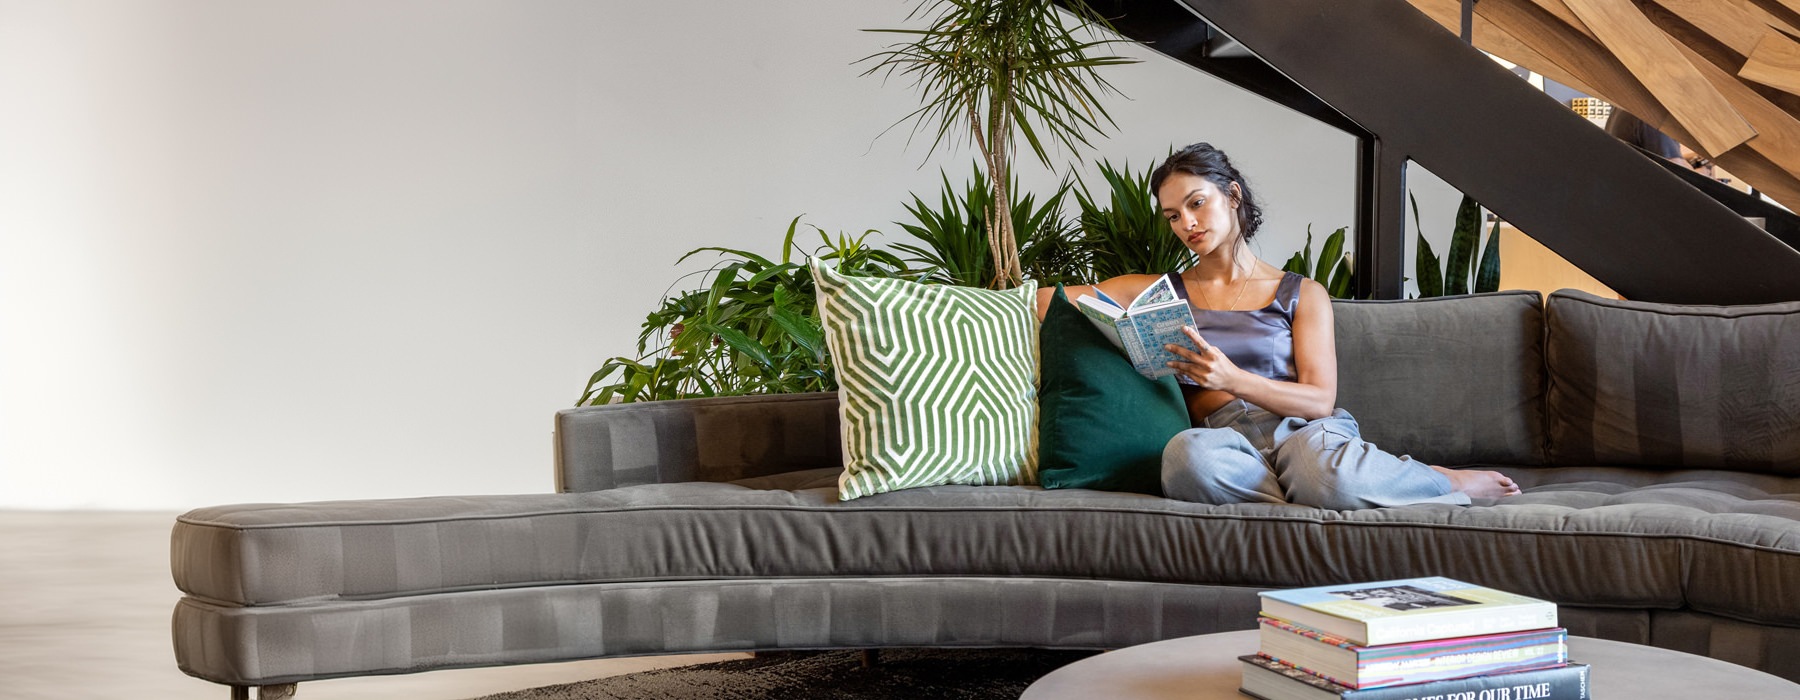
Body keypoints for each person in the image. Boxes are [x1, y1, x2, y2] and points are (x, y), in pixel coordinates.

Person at [1038, 143, 1519, 509]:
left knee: (1323, 472)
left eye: (1196, 203)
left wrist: (1231, 379)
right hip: (1221, 441)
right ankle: (1324, 496)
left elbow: (1319, 400)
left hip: (1303, 431)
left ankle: (1443, 481)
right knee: (1184, 460)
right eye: (1173, 216)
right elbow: (1046, 301)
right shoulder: (1160, 291)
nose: (1186, 222)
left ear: (1232, 196)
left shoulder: (1301, 293)